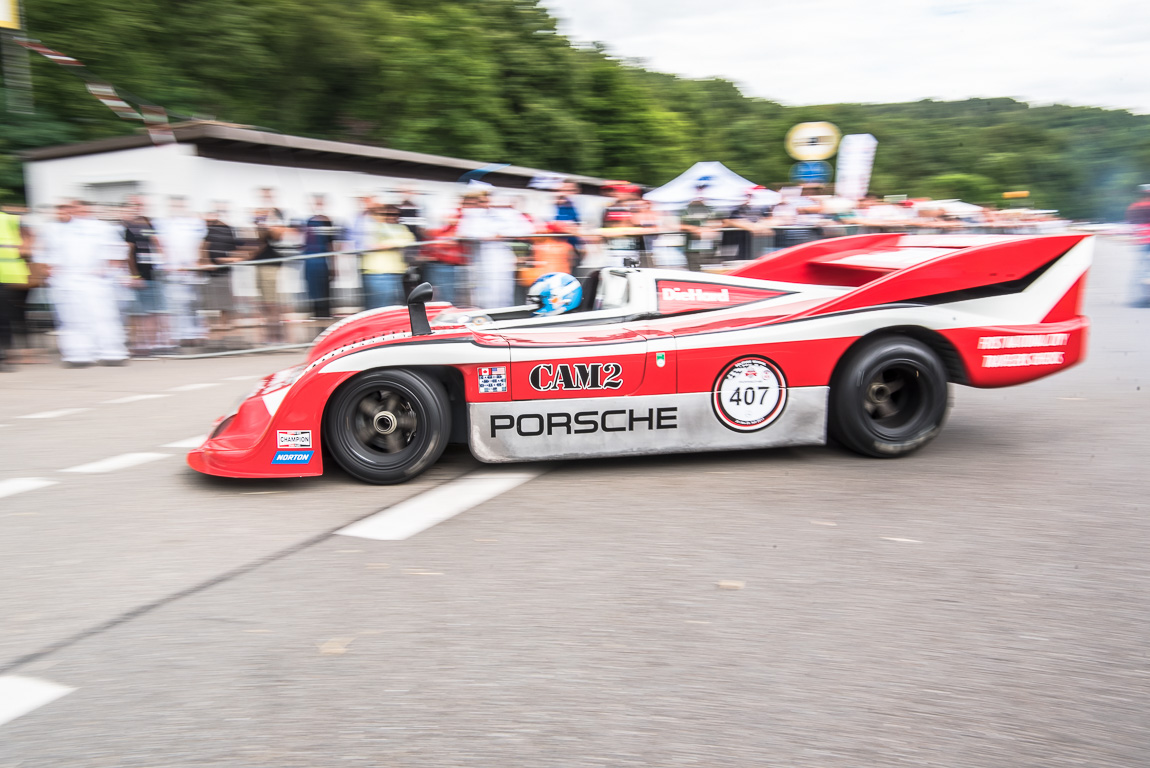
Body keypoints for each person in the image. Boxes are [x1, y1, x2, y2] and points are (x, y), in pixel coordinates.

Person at [39, 200, 129, 366]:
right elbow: (47, 253)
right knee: (72, 320)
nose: (73, 211)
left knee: (103, 316)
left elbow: (118, 251)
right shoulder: (58, 230)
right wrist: (51, 271)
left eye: (77, 208)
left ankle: (112, 353)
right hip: (67, 280)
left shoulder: (102, 228)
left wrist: (107, 270)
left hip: (95, 279)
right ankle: (78, 355)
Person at [156, 196, 208, 345]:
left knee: (194, 303)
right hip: (173, 270)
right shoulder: (163, 223)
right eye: (174, 205)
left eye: (180, 205)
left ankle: (196, 333)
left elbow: (201, 244)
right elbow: (160, 244)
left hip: (191, 269)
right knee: (178, 304)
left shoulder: (195, 222)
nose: (177, 208)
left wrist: (197, 263)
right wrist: (168, 263)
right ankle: (182, 335)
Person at [457, 189, 518, 308]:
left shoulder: (504, 214)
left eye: (485, 200)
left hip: (500, 257)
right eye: (480, 201)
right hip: (480, 258)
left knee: (502, 290)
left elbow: (521, 229)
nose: (483, 203)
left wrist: (501, 235)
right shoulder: (472, 215)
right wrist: (487, 237)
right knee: (481, 291)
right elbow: (463, 232)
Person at [121, 196, 166, 354]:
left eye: (141, 205)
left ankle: (153, 343)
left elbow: (158, 244)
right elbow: (129, 253)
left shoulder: (148, 224)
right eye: (136, 205)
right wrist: (135, 276)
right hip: (140, 276)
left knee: (155, 312)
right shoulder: (130, 228)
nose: (139, 208)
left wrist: (163, 260)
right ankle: (143, 344)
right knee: (142, 313)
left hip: (154, 274)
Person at [201, 202, 244, 346]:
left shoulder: (228, 229)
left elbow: (235, 248)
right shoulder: (209, 229)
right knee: (213, 304)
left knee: (225, 304)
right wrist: (207, 262)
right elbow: (203, 247)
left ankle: (224, 331)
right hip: (213, 272)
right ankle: (217, 333)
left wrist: (233, 258)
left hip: (224, 271)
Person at [361, 204, 415, 309]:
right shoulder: (372, 227)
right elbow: (369, 244)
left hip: (396, 272)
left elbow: (409, 240)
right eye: (388, 214)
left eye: (396, 214)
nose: (392, 217)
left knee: (390, 308)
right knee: (378, 309)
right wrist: (394, 242)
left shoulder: (401, 228)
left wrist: (387, 244)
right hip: (376, 273)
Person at [0, 206, 31, 370]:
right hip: (7, 275)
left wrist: (24, 248)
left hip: (6, 276)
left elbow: (28, 235)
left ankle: (3, 357)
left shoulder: (8, 219)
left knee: (3, 319)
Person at [301, 194, 339, 320]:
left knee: (324, 293)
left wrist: (334, 266)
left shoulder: (326, 221)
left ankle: (324, 316)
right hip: (310, 263)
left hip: (321, 263)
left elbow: (330, 245)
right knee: (313, 292)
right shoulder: (307, 222)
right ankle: (316, 315)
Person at [1127, 184, 1150, 306]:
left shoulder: (1133, 207)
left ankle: (1139, 297)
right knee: (1146, 270)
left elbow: (1131, 223)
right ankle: (1146, 298)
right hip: (1147, 241)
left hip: (1141, 241)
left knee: (1141, 270)